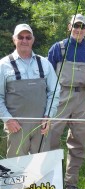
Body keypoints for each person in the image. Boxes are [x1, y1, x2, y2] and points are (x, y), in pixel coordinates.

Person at [48, 14, 85, 189]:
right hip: (60, 97)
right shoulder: (58, 48)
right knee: (51, 138)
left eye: (82, 27)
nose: (78, 29)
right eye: (75, 26)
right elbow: (48, 73)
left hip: (83, 99)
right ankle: (51, 181)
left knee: (78, 142)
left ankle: (71, 184)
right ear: (69, 26)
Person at [0, 24, 60, 158]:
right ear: (14, 39)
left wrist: (48, 116)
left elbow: (54, 91)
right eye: (20, 37)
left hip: (42, 125)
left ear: (33, 40)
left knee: (42, 164)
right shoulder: (3, 65)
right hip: (16, 126)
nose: (24, 40)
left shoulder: (45, 63)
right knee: (16, 166)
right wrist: (7, 119)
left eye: (28, 37)